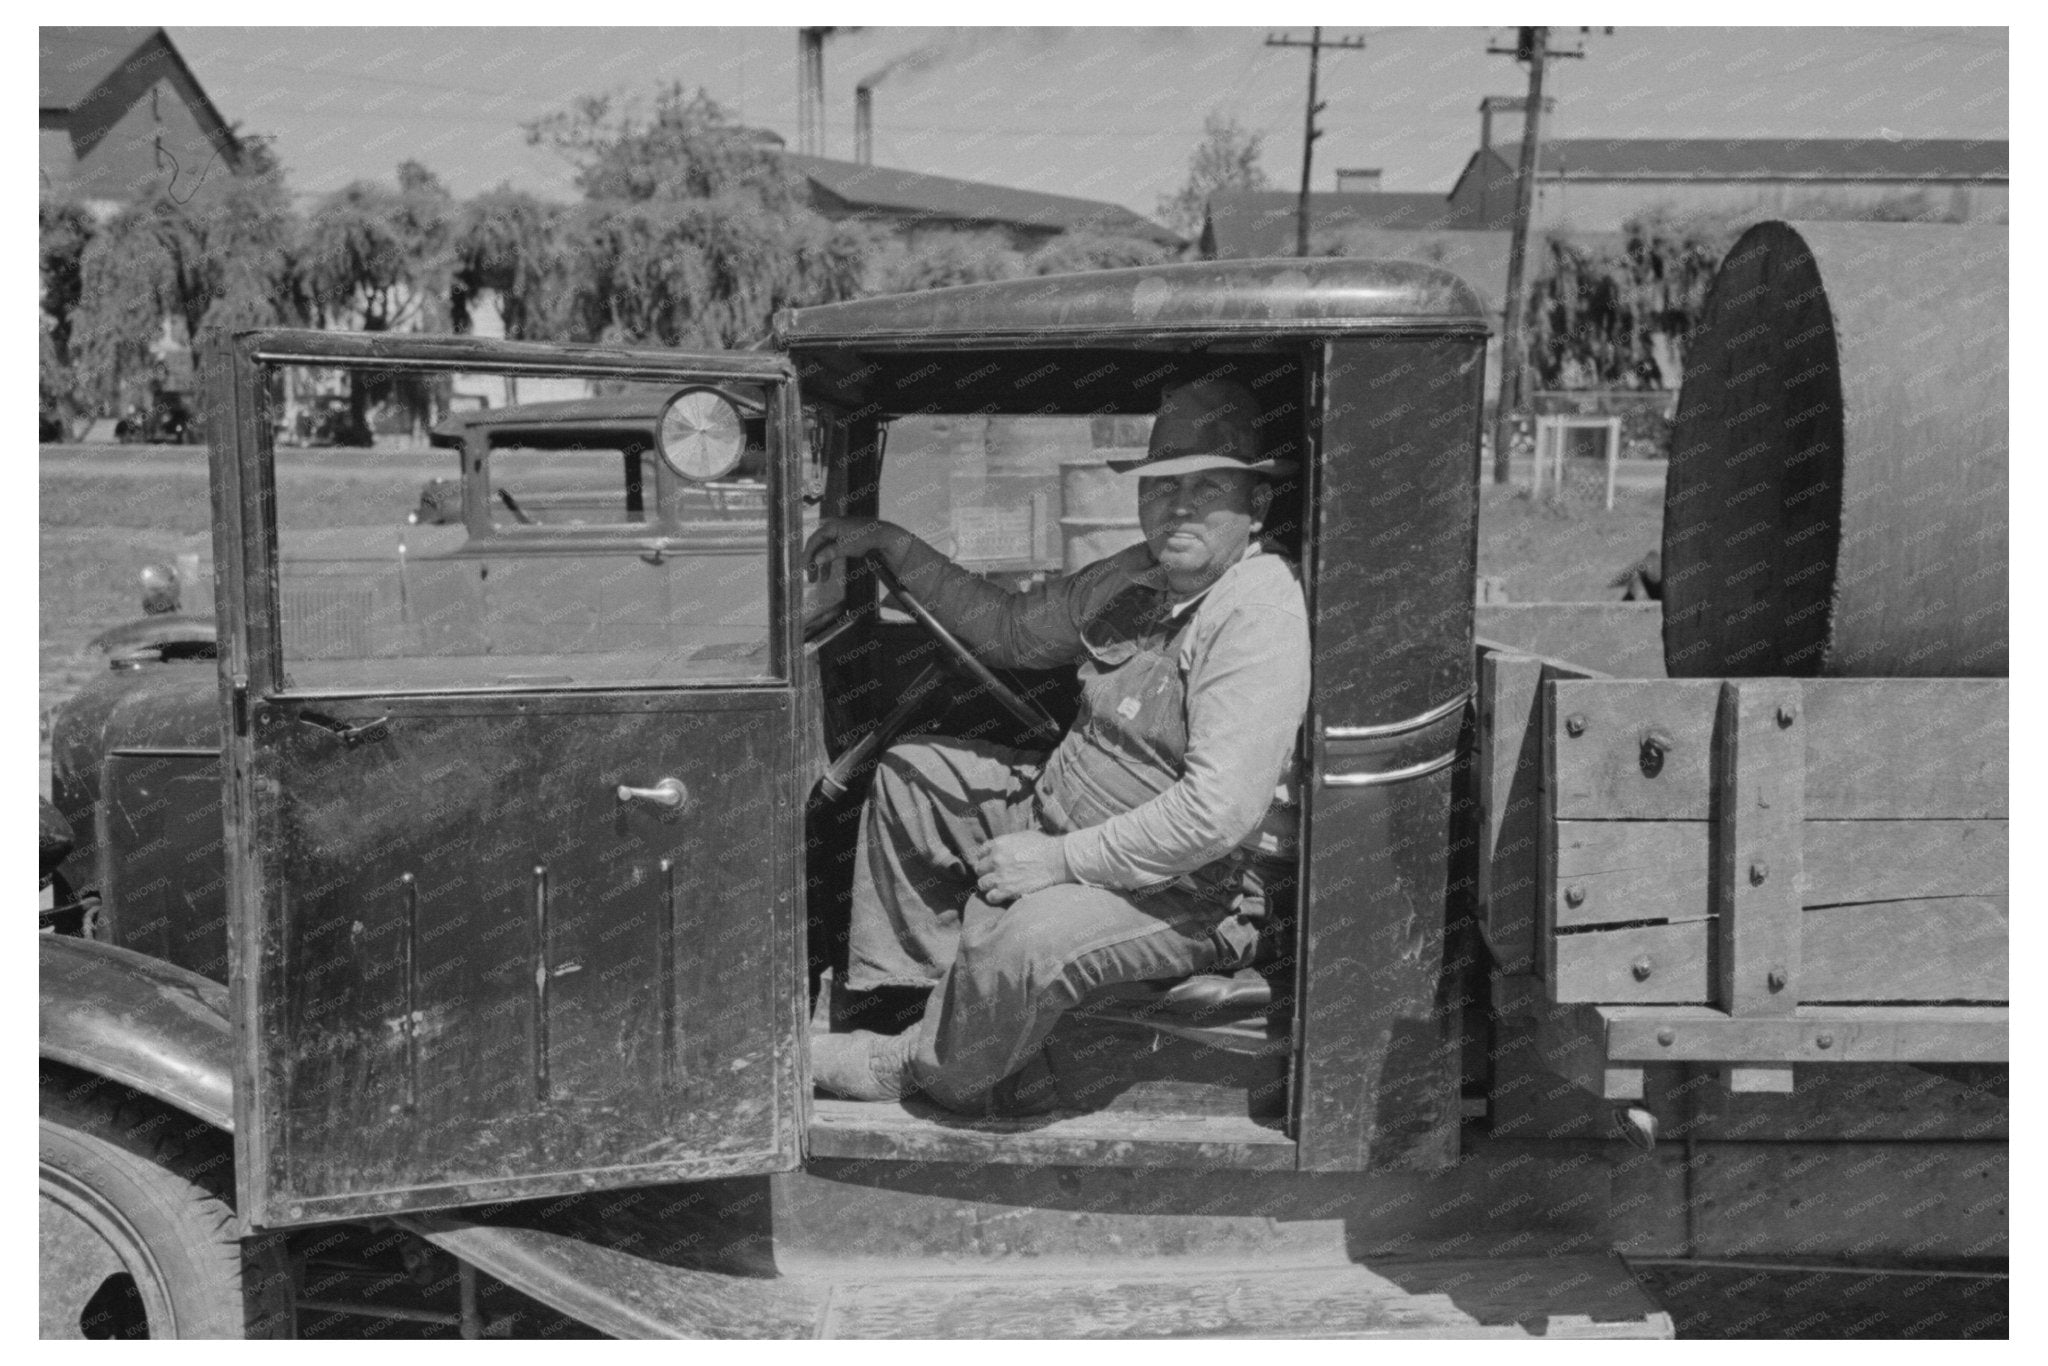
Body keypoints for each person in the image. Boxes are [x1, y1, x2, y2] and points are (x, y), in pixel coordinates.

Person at [803, 378, 1311, 1114]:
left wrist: (1057, 861)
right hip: (1064, 815)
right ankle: (912, 1010)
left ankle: (917, 1070)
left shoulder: (1256, 607)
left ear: (1256, 504)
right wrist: (890, 543)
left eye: (1209, 488)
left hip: (1196, 887)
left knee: (1031, 940)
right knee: (914, 779)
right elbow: (1010, 629)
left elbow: (1216, 816)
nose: (1180, 504)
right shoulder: (1141, 573)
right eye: (1163, 486)